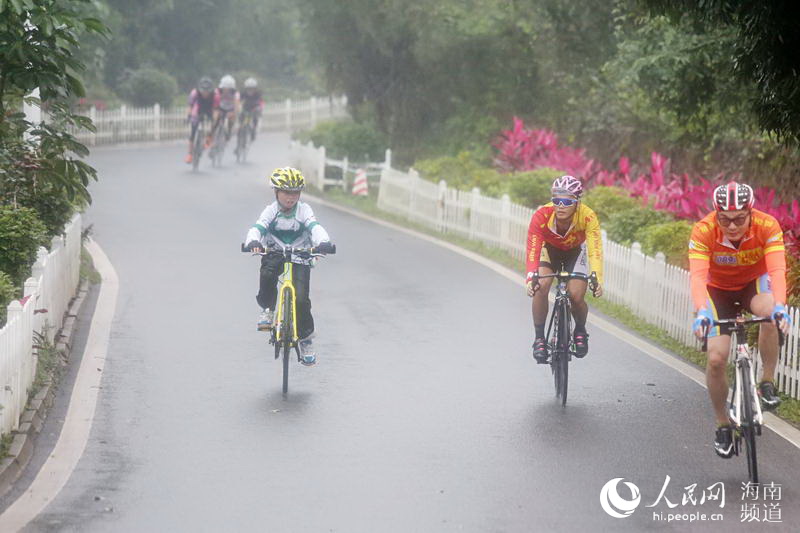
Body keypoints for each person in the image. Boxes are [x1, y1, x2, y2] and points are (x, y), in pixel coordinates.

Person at [688, 181, 791, 458]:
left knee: (769, 313)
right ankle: (723, 425)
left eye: (739, 219)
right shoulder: (703, 230)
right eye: (725, 219)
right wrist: (702, 312)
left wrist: (780, 306)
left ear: (751, 213)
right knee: (716, 359)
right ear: (716, 215)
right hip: (716, 291)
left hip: (752, 286)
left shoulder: (767, 226)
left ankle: (766, 382)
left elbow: (777, 270)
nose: (732, 226)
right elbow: (698, 277)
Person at [244, 167, 334, 366]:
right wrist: (253, 242)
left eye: (295, 192)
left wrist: (324, 242)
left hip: (301, 255)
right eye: (286, 192)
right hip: (274, 253)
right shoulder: (271, 211)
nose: (291, 197)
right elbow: (258, 227)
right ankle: (268, 309)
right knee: (267, 275)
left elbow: (314, 227)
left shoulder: (304, 210)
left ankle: (306, 339)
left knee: (301, 299)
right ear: (276, 192)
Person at [525, 175, 604, 362]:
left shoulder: (588, 216)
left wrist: (597, 278)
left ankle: (580, 330)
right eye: (556, 200)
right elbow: (533, 249)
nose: (560, 206)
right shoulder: (541, 215)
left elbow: (595, 250)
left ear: (577, 202)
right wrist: (530, 278)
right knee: (540, 286)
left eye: (566, 201)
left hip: (575, 252)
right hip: (549, 251)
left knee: (576, 296)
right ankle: (539, 338)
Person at [185, 77, 218, 164]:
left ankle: (209, 138)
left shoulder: (215, 95)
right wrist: (189, 116)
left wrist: (213, 120)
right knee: (193, 130)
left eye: (207, 91)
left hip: (209, 108)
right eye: (203, 91)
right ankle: (190, 154)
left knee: (215, 123)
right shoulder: (194, 93)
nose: (205, 93)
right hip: (198, 107)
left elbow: (215, 110)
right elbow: (190, 106)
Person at [215, 74, 240, 142]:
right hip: (221, 107)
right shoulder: (217, 91)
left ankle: (229, 132)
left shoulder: (235, 93)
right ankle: (212, 134)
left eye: (228, 88)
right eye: (224, 88)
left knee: (231, 120)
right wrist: (216, 110)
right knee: (216, 120)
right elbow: (214, 102)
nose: (225, 90)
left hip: (231, 108)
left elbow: (236, 105)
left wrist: (234, 113)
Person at [239, 77, 264, 141]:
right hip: (246, 108)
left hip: (254, 108)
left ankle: (254, 130)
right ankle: (242, 128)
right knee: (241, 116)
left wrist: (259, 108)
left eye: (252, 89)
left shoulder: (258, 93)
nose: (250, 91)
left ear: (255, 89)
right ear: (246, 89)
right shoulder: (243, 93)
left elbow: (261, 102)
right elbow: (239, 101)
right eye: (248, 89)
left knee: (255, 117)